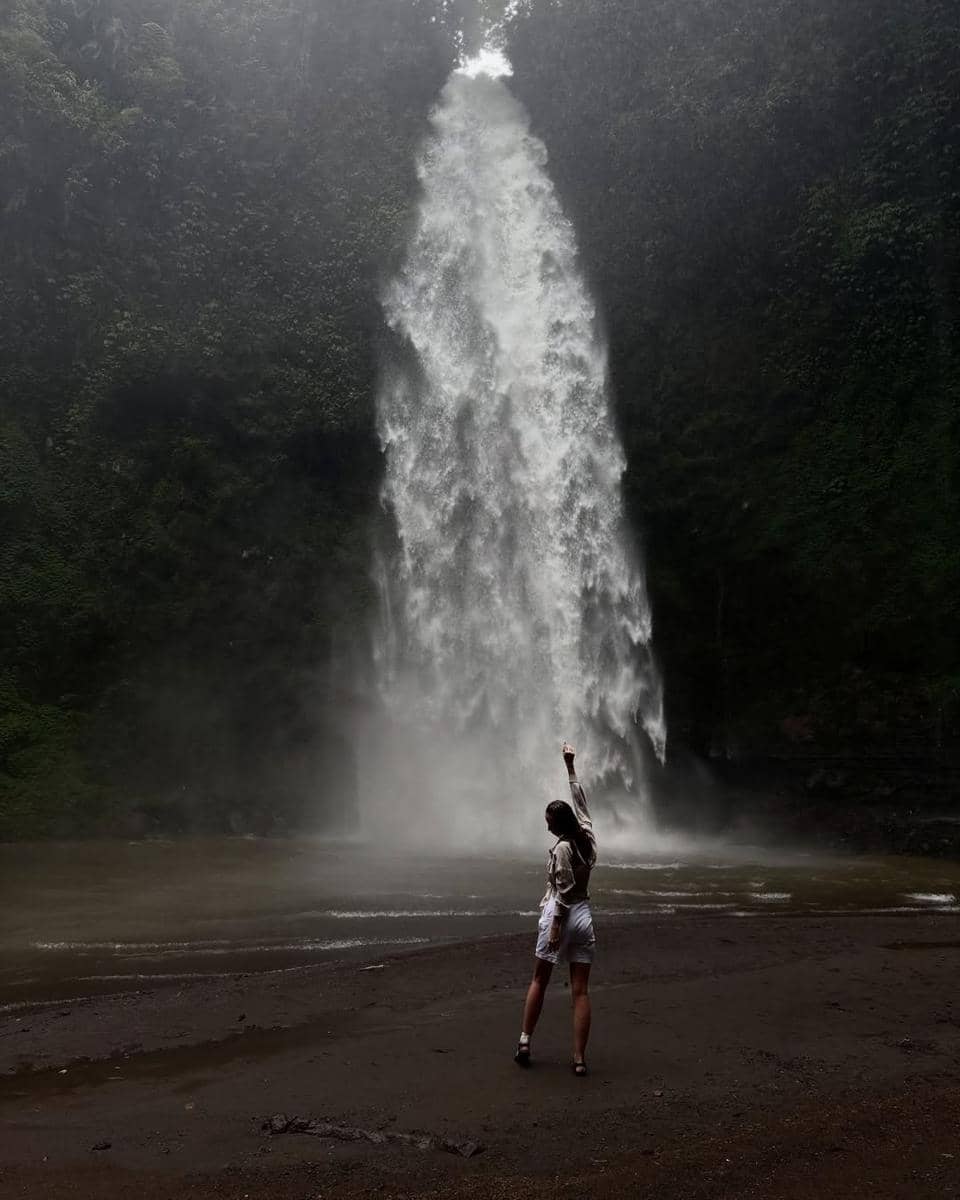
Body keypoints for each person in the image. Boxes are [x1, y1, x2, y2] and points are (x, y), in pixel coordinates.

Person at [514, 741, 596, 1077]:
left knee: (539, 979)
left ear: (558, 825)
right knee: (580, 990)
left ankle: (524, 1040)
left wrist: (556, 926)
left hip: (561, 915)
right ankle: (578, 1058)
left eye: (549, 822)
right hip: (585, 916)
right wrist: (570, 766)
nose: (546, 826)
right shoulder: (587, 837)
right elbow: (580, 800)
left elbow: (561, 891)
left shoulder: (562, 849)